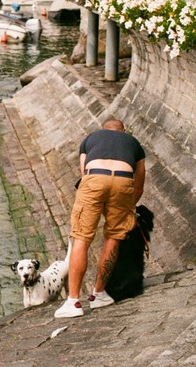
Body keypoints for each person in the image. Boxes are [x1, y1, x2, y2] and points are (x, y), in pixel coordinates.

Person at [55, 118, 146, 318]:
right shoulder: (134, 144)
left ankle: (73, 301)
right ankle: (99, 294)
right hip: (124, 180)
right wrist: (126, 206)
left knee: (82, 237)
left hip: (94, 177)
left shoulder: (91, 139)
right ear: (123, 131)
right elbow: (139, 185)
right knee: (114, 236)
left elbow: (84, 172)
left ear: (103, 130)